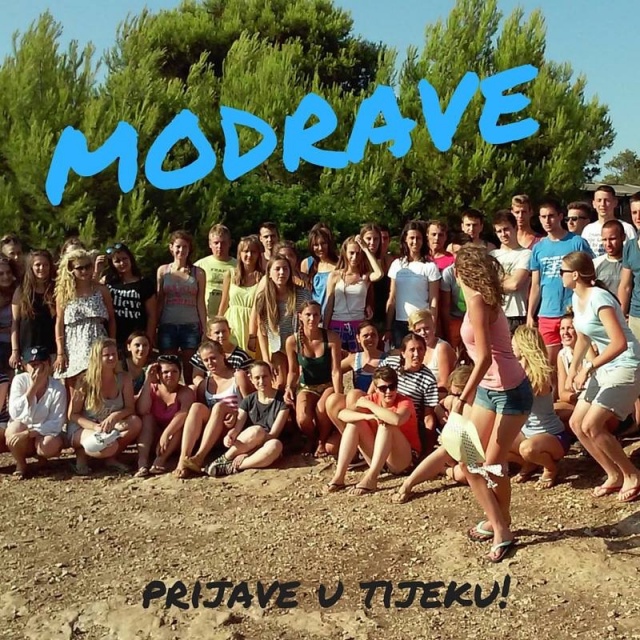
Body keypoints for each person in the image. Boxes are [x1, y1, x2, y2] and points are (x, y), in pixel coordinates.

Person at [452, 244, 533, 563]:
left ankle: (501, 528)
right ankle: (500, 521)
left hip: (510, 391)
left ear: (459, 272)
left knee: (491, 464)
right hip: (490, 390)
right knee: (469, 460)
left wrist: (462, 397)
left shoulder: (477, 301)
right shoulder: (481, 298)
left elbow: (484, 358)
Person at [563, 251, 640, 503]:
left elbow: (619, 343)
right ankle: (613, 474)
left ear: (575, 274)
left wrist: (588, 367)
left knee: (592, 425)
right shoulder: (577, 297)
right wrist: (573, 369)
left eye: (563, 271)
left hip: (626, 363)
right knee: (577, 423)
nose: (560, 275)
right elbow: (584, 336)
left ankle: (632, 474)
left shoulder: (599, 298)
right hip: (604, 366)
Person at [324, 366, 420, 495]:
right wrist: (367, 416)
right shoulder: (372, 398)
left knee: (387, 424)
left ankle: (371, 478)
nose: (388, 391)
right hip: (380, 458)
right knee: (354, 424)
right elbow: (342, 414)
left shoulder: (404, 402)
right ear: (375, 388)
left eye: (392, 387)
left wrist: (370, 405)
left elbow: (397, 420)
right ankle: (339, 476)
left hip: (404, 461)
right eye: (383, 388)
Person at [527, 198, 592, 377]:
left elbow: (589, 275)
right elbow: (536, 284)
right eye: (543, 217)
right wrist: (530, 314)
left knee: (576, 361)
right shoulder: (538, 248)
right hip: (547, 312)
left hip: (572, 311)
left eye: (551, 216)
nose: (547, 221)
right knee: (549, 365)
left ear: (560, 216)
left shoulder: (577, 242)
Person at [66, 338, 142, 475]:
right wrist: (94, 427)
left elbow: (130, 408)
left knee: (135, 422)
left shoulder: (124, 378)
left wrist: (115, 416)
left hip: (109, 425)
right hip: (85, 426)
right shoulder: (84, 381)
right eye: (107, 355)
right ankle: (82, 454)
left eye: (114, 354)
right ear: (97, 357)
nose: (112, 358)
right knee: (106, 445)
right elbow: (72, 415)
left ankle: (110, 458)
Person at [509, 326, 570, 489]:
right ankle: (530, 463)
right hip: (527, 433)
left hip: (551, 435)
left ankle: (550, 468)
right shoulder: (516, 371)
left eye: (514, 344)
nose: (511, 347)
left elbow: (521, 399)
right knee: (493, 440)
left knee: (527, 449)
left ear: (524, 346)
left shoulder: (540, 375)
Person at [205, 361, 289, 476]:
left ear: (271, 376)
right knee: (257, 430)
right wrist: (230, 436)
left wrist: (248, 454)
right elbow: (237, 428)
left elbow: (273, 434)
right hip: (249, 441)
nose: (261, 381)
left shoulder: (282, 401)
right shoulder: (248, 400)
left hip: (265, 444)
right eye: (257, 378)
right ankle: (224, 459)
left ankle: (233, 466)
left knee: (275, 445)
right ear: (251, 379)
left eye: (264, 376)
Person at [174, 341, 243, 478]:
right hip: (213, 432)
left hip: (233, 428)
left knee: (219, 406)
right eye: (206, 360)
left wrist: (236, 414)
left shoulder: (238, 376)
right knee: (196, 407)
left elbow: (250, 404)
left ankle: (200, 457)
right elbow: (201, 415)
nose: (210, 363)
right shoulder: (204, 384)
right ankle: (184, 458)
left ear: (223, 355)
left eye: (213, 358)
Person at [285, 300, 342, 457]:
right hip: (307, 386)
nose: (312, 319)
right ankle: (311, 437)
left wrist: (339, 394)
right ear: (300, 316)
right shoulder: (292, 341)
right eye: (308, 315)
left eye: (316, 315)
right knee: (303, 418)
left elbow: (336, 370)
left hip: (327, 384)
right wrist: (289, 387)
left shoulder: (331, 338)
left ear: (320, 317)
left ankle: (322, 441)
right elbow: (293, 371)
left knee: (322, 409)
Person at [54, 249, 116, 389]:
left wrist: (112, 342)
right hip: (73, 345)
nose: (84, 271)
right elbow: (59, 323)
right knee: (76, 390)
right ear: (71, 270)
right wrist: (60, 352)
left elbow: (111, 319)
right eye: (79, 268)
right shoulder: (64, 294)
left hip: (98, 341)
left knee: (99, 387)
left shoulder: (101, 290)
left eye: (87, 266)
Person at [6, 346, 66, 478]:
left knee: (49, 445)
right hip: (23, 430)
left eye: (40, 364)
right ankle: (21, 464)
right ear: (25, 366)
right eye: (32, 365)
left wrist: (29, 433)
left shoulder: (58, 388)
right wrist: (34, 387)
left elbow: (57, 422)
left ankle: (42, 459)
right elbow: (15, 413)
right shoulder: (19, 380)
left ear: (49, 364)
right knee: (13, 429)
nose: (36, 369)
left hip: (42, 434)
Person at [253, 253, 311, 388]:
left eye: (285, 269)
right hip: (278, 349)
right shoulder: (263, 299)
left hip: (300, 347)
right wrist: (266, 360)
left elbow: (310, 323)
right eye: (277, 269)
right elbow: (262, 331)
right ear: (269, 273)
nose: (281, 273)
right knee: (279, 384)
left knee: (298, 384)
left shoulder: (302, 294)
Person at [156, 230, 206, 384]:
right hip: (168, 324)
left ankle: (191, 395)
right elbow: (159, 300)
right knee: (167, 366)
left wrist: (205, 329)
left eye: (185, 247)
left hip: (190, 325)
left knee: (190, 368)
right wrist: (154, 326)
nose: (181, 250)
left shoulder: (198, 273)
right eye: (178, 246)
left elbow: (200, 302)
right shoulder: (163, 271)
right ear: (171, 247)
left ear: (189, 249)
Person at [135, 354, 194, 476]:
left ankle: (160, 460)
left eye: (174, 371)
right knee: (147, 418)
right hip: (153, 438)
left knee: (179, 425)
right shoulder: (152, 388)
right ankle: (142, 461)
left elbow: (183, 413)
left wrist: (166, 434)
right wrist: (148, 380)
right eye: (165, 372)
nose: (170, 375)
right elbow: (142, 410)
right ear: (158, 374)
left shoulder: (186, 392)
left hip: (175, 440)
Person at [385, 221, 440, 347]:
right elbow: (392, 298)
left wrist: (432, 324)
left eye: (418, 238)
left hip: (421, 322)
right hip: (400, 323)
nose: (415, 242)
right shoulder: (397, 264)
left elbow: (434, 299)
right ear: (405, 239)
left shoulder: (430, 266)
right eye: (412, 238)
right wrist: (388, 327)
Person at [323, 235, 383, 352]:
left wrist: (365, 249)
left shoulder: (365, 276)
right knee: (338, 360)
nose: (354, 257)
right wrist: (325, 330)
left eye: (358, 253)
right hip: (337, 324)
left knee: (358, 360)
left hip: (358, 326)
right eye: (351, 253)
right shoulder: (335, 275)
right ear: (345, 253)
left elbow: (379, 273)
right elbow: (329, 304)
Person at [98, 243, 157, 351]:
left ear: (130, 258)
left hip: (136, 338)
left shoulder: (145, 283)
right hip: (113, 336)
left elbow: (152, 315)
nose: (122, 263)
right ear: (112, 263)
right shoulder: (107, 281)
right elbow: (91, 291)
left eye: (124, 259)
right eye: (117, 261)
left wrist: (148, 339)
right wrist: (97, 270)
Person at [10, 250, 56, 370]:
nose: (42, 268)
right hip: (27, 351)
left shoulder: (56, 290)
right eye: (38, 265)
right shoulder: (21, 291)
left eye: (45, 265)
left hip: (51, 350)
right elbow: (15, 323)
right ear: (31, 267)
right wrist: (15, 351)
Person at [218, 235, 263, 352]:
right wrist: (217, 325)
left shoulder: (263, 278)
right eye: (246, 251)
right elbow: (224, 302)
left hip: (252, 324)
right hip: (232, 323)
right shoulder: (230, 274)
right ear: (240, 253)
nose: (249, 255)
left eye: (253, 252)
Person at [491, 210, 532, 334]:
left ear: (515, 227)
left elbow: (515, 284)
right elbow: (486, 284)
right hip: (495, 313)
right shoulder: (492, 255)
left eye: (506, 229)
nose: (503, 234)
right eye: (499, 231)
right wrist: (508, 278)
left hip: (516, 314)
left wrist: (495, 283)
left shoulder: (526, 254)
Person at [189, 317, 253, 394]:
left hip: (233, 392)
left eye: (224, 331)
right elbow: (197, 376)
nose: (221, 335)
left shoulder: (241, 356)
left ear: (229, 331)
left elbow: (248, 380)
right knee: (192, 388)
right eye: (217, 332)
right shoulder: (203, 353)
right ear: (209, 335)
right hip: (210, 390)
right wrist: (208, 387)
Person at [406, 309, 456, 394]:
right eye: (418, 330)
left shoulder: (442, 347)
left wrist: (420, 393)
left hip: (439, 394)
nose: (423, 333)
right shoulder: (414, 349)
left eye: (426, 328)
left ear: (433, 327)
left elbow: (445, 383)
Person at [195, 224, 237, 321]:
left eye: (223, 243)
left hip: (229, 318)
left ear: (229, 243)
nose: (219, 246)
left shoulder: (238, 266)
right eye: (216, 243)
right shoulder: (200, 265)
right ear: (210, 244)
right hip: (205, 317)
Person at [581, 185, 636, 257]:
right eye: (599, 200)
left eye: (607, 200)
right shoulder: (588, 230)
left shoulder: (627, 228)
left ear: (615, 202)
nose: (602, 204)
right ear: (593, 204)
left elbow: (634, 255)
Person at [300, 224, 338, 311]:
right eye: (316, 245)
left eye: (323, 243)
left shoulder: (339, 263)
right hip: (314, 315)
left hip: (335, 313)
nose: (320, 248)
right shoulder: (307, 263)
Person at [593, 219, 624, 295]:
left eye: (612, 239)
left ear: (623, 237)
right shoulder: (595, 263)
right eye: (604, 239)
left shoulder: (632, 261)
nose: (608, 244)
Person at [0, 257, 18, 374]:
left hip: (18, 344)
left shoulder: (19, 290)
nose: (6, 277)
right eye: (1, 274)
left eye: (8, 272)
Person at [122, 330, 152, 398]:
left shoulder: (152, 367)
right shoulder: (120, 365)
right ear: (129, 347)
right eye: (137, 345)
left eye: (145, 345)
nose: (141, 349)